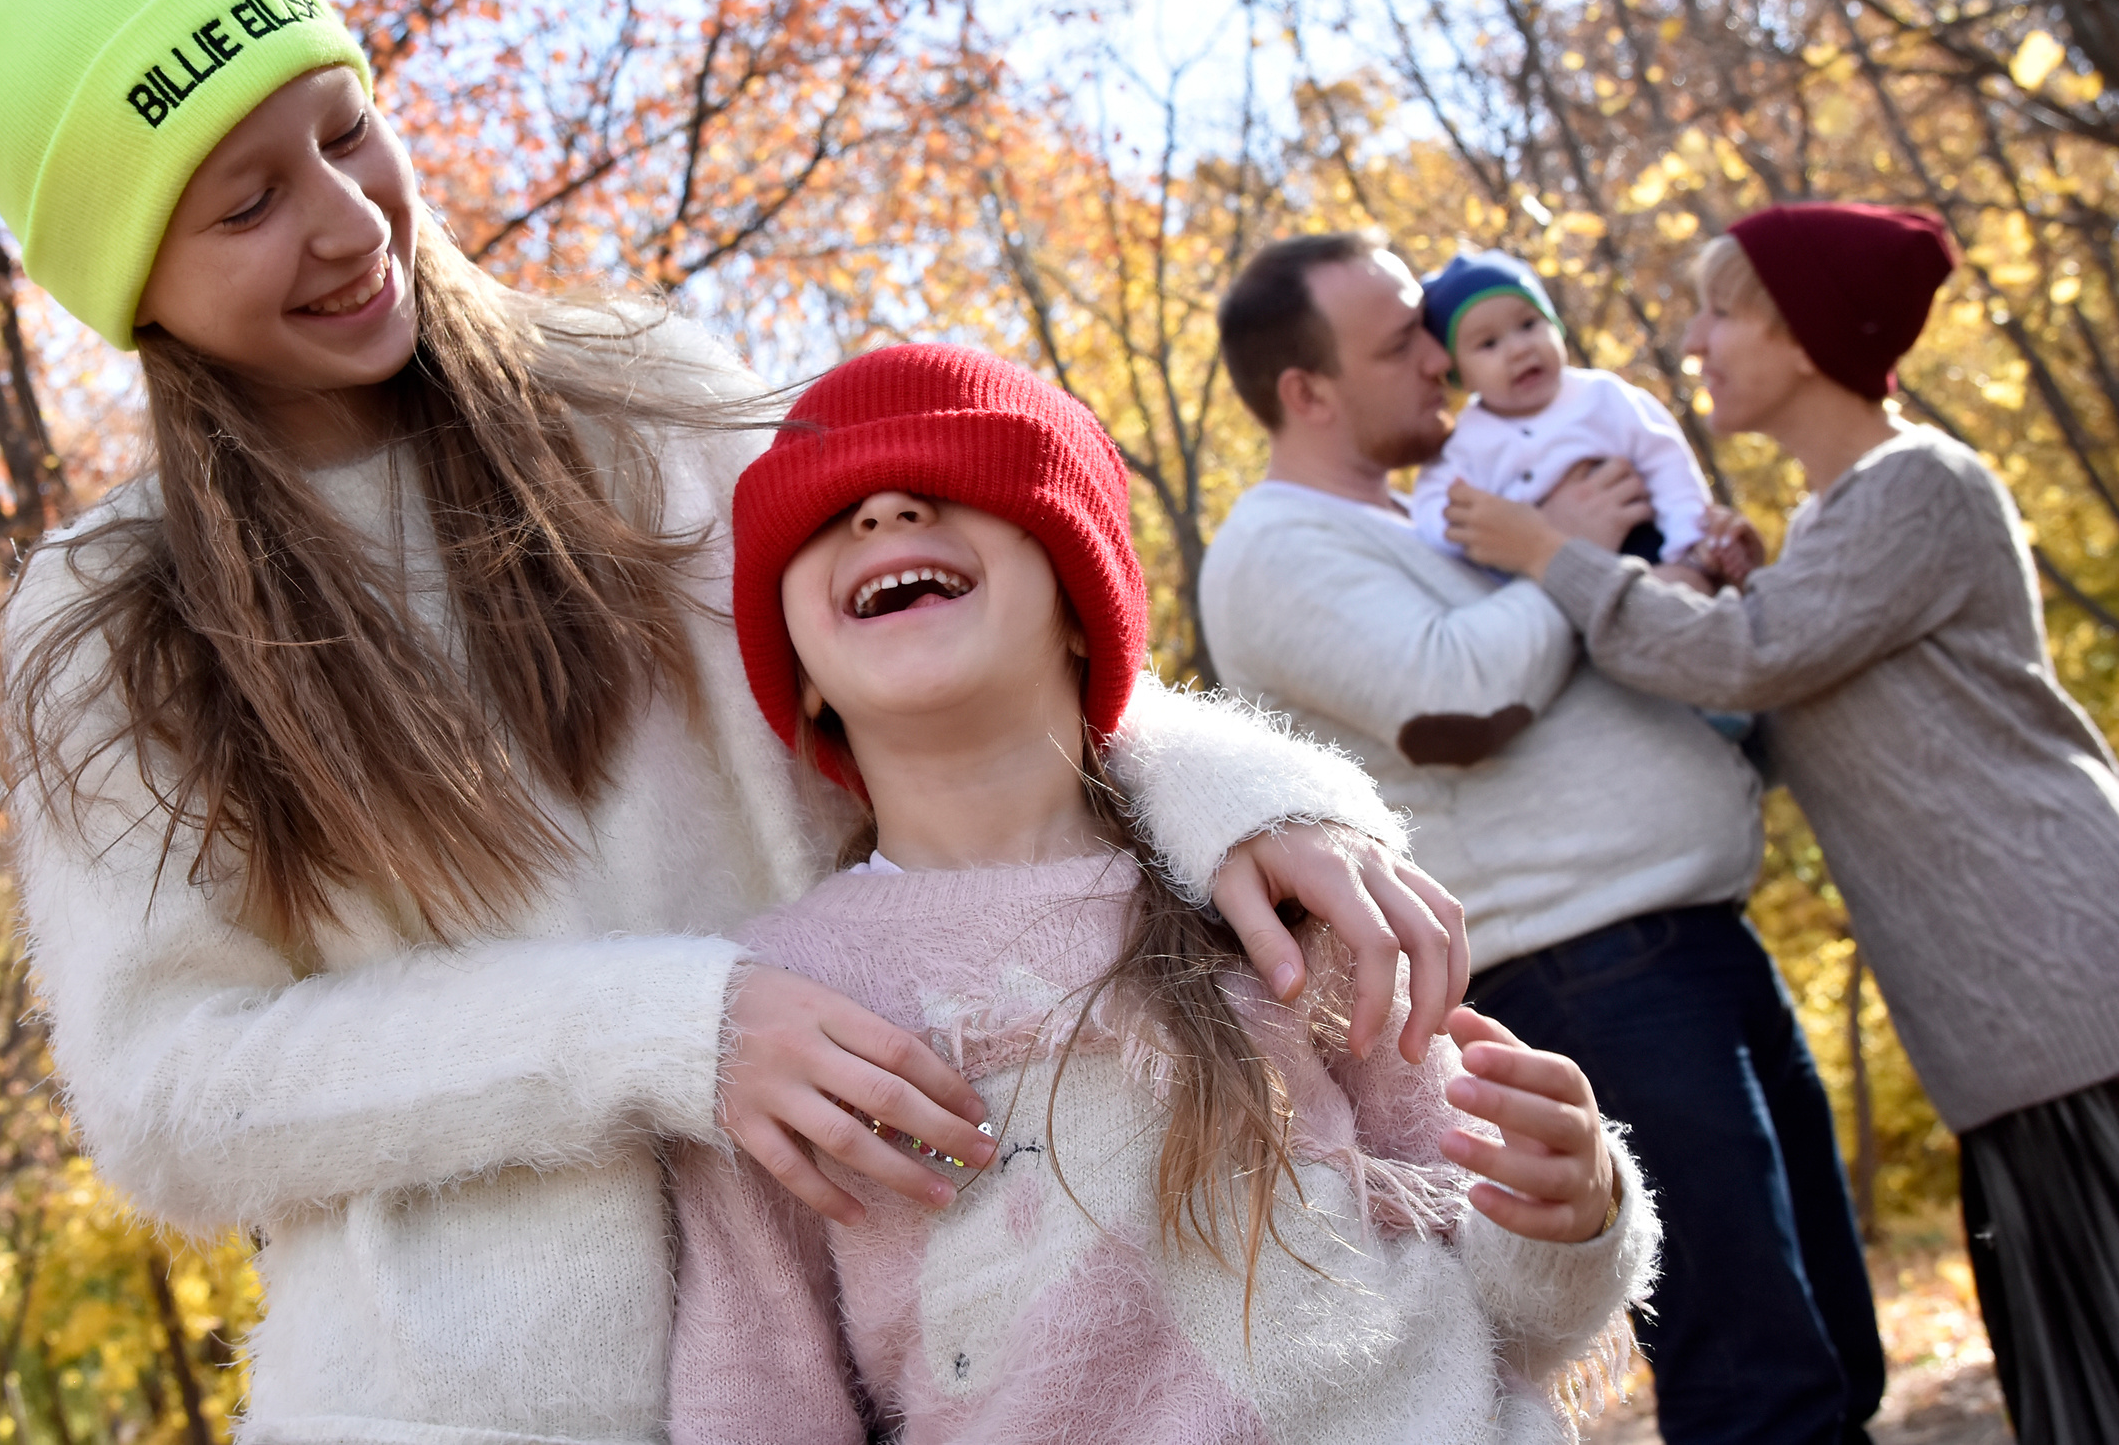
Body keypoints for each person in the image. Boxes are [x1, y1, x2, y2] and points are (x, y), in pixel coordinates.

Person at [0, 0, 1471, 1444]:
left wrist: (1237, 803)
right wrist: (673, 1032)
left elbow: (929, 656)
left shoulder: (645, 404)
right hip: (458, 1413)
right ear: (129, 285)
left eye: (346, 126)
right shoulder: (118, 612)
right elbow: (173, 1095)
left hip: (917, 1339)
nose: (351, 219)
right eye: (245, 203)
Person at [668, 343, 1654, 1444]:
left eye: (955, 481)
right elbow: (756, 1393)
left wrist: (1570, 1214)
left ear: (1081, 598)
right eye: (826, 513)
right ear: (795, 665)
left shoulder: (1275, 900)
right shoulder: (773, 1009)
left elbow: (1515, 1314)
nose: (886, 508)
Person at [1198, 230, 1887, 1445]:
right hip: (1588, 976)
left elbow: (1585, 648)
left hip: (1686, 949)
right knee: (1757, 1379)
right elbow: (1449, 699)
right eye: (1401, 338)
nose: (1439, 352)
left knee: (1831, 1342)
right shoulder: (1274, 546)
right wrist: (1561, 552)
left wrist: (1674, 574)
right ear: (1305, 391)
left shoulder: (1441, 523)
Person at [1447, 203, 2119, 1445]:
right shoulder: (1832, 524)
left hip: (2072, 969)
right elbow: (1781, 657)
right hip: (2010, 1019)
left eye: (1719, 308)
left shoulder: (1916, 482)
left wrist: (1555, 554)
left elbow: (1750, 658)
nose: (1691, 338)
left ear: (1803, 334)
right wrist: (1752, 582)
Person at [1408, 250, 1713, 568]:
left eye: (1528, 324)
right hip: (1542, 576)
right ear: (1460, 374)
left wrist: (1688, 543)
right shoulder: (1464, 444)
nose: (1519, 348)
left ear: (1555, 324)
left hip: (1647, 548)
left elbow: (1666, 462)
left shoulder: (1603, 397)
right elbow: (1431, 507)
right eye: (1489, 344)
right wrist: (1462, 532)